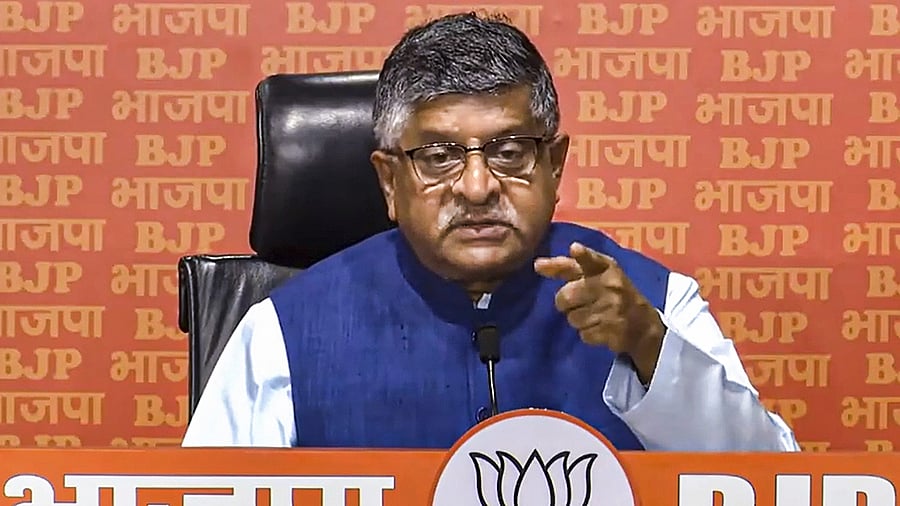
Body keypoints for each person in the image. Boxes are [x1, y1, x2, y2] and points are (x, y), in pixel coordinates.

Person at [182, 12, 799, 452]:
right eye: (439, 156)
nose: (477, 188)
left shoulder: (652, 303)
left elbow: (774, 484)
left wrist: (648, 347)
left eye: (509, 151)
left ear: (555, 168)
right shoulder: (280, 334)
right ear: (390, 183)